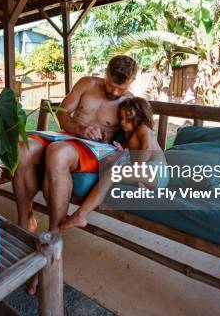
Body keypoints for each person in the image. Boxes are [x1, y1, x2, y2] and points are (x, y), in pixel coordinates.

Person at [12, 55, 138, 294]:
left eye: (121, 88)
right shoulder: (87, 84)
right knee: (22, 150)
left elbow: (136, 137)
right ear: (106, 72)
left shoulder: (130, 102)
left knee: (57, 154)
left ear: (131, 82)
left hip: (93, 149)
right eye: (112, 83)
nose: (114, 91)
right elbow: (61, 112)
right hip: (66, 135)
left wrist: (122, 149)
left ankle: (53, 240)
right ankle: (24, 222)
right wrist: (79, 128)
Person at [60, 97, 167, 230]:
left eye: (128, 118)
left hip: (156, 171)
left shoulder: (143, 129)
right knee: (112, 171)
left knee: (113, 173)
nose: (123, 122)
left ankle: (81, 215)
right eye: (121, 118)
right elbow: (125, 155)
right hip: (143, 172)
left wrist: (134, 170)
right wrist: (111, 148)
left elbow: (146, 149)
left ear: (141, 117)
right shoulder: (128, 134)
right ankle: (137, 182)